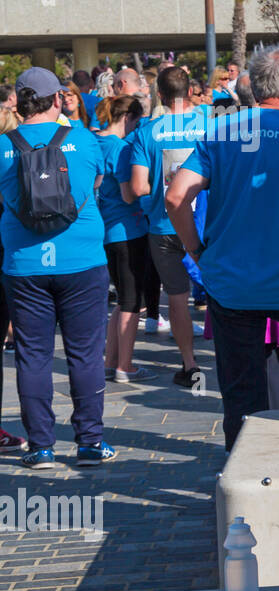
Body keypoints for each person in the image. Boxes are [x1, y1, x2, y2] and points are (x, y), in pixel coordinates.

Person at [166, 46, 279, 451]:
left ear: (251, 88)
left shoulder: (223, 131)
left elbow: (176, 196)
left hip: (232, 285)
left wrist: (196, 250)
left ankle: (244, 475)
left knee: (241, 397)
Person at [1, 68, 116, 469]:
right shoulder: (83, 139)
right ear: (55, 101)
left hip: (23, 264)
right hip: (82, 260)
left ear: (18, 101)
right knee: (84, 354)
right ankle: (89, 442)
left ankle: (41, 447)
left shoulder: (2, 147)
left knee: (32, 356)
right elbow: (99, 179)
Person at [127, 66, 205, 387]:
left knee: (176, 296)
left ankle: (189, 364)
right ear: (189, 92)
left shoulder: (147, 131)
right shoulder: (210, 125)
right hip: (203, 224)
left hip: (162, 225)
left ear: (160, 95)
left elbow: (137, 187)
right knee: (219, 292)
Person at [95, 95, 154, 383]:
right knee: (132, 301)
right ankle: (126, 366)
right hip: (128, 230)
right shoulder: (121, 149)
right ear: (128, 117)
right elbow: (128, 194)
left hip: (105, 229)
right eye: (138, 121)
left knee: (120, 298)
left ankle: (110, 361)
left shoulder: (96, 141)